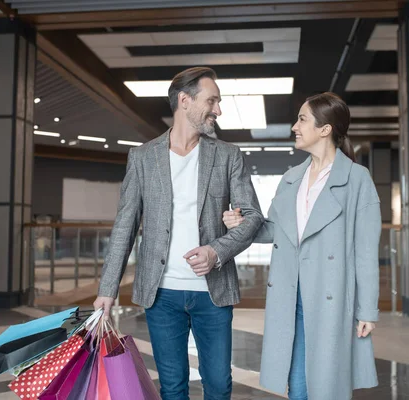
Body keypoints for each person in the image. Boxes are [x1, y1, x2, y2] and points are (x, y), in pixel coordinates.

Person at [94, 66, 264, 400]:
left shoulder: (228, 155)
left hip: (213, 292)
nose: (218, 109)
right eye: (212, 100)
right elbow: (124, 226)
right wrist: (107, 289)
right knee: (172, 387)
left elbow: (254, 216)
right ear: (184, 101)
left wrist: (216, 250)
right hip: (162, 294)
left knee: (218, 385)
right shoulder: (142, 158)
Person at [223, 92, 380, 400]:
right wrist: (243, 224)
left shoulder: (357, 179)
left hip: (330, 296)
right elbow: (274, 232)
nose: (295, 126)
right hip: (290, 295)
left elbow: (365, 250)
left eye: (302, 119)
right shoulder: (291, 178)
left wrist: (368, 310)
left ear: (325, 129)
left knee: (326, 386)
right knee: (297, 387)